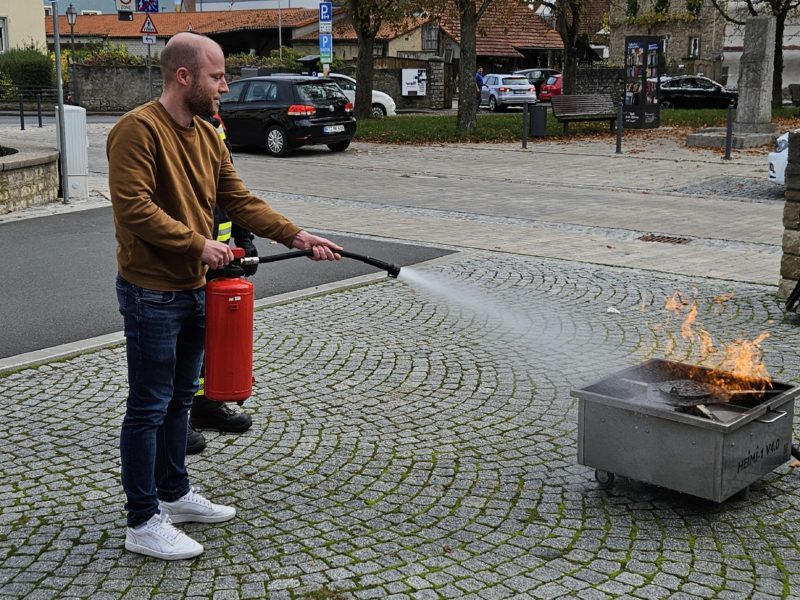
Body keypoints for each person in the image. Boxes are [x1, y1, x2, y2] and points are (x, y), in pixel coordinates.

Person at [108, 31, 342, 561]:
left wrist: (297, 235)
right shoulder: (136, 131)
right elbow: (134, 209)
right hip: (151, 291)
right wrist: (200, 245)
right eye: (217, 76)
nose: (225, 85)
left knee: (179, 403)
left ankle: (175, 493)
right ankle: (142, 520)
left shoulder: (210, 135)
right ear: (183, 76)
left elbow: (238, 198)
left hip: (193, 290)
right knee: (148, 405)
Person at [186, 113, 256, 455]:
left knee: (210, 333)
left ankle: (204, 403)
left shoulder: (214, 124)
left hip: (220, 256)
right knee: (178, 340)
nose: (224, 86)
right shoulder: (170, 127)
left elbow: (229, 189)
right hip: (185, 259)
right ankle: (175, 417)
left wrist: (244, 237)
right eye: (216, 78)